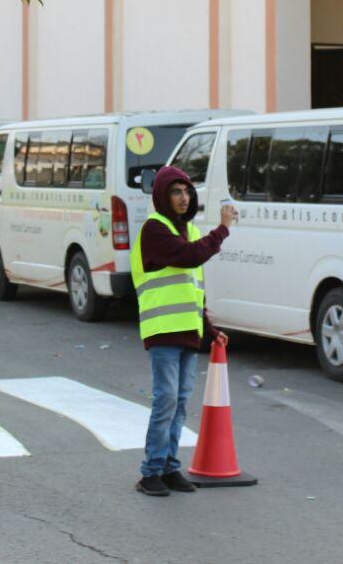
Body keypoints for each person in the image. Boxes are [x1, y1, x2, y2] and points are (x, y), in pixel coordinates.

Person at [130, 165, 237, 496]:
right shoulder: (154, 230)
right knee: (165, 401)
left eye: (187, 191)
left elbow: (193, 289)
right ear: (162, 195)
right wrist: (222, 228)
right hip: (163, 331)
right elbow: (190, 258)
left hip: (188, 331)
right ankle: (150, 472)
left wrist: (210, 329)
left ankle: (169, 467)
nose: (183, 197)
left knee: (179, 404)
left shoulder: (189, 231)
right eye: (176, 192)